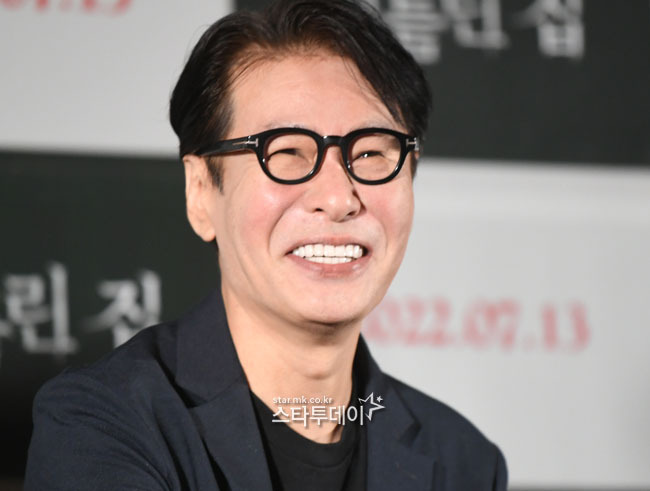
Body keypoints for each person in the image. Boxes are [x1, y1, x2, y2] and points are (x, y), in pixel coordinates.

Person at [25, 0, 507, 489]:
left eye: (370, 153)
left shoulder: (463, 461)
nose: (338, 198)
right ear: (201, 192)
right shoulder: (105, 423)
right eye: (288, 151)